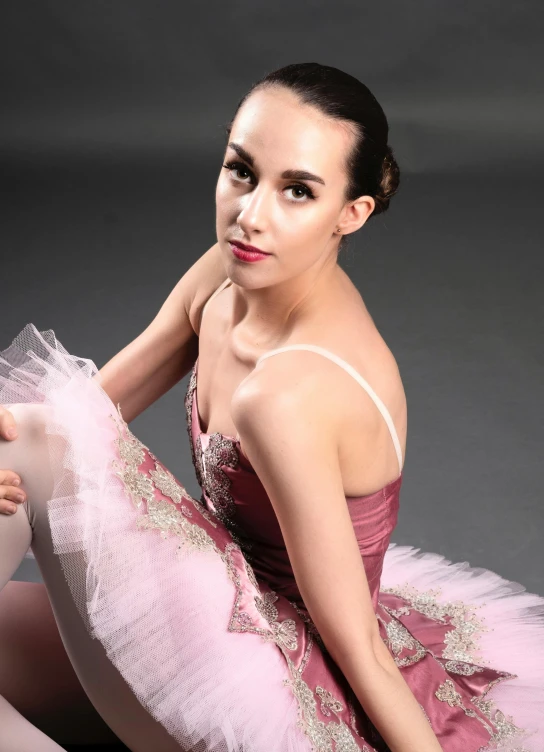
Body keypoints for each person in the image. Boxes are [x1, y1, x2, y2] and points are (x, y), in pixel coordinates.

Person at [0, 62, 542, 752]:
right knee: (26, 433)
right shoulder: (225, 276)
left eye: (298, 191)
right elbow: (89, 410)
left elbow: (357, 648)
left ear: (352, 213)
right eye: (242, 172)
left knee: (30, 436)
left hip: (273, 692)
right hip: (222, 604)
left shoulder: (287, 396)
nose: (251, 216)